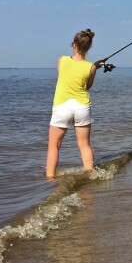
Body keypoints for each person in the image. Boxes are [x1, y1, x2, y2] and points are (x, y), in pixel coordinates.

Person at [46, 29, 105, 179]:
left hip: (62, 106)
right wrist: (94, 67)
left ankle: (50, 178)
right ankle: (90, 174)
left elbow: (65, 76)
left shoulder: (62, 60)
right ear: (88, 47)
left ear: (74, 45)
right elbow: (87, 86)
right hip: (81, 106)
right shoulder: (91, 67)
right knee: (84, 145)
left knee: (54, 146)